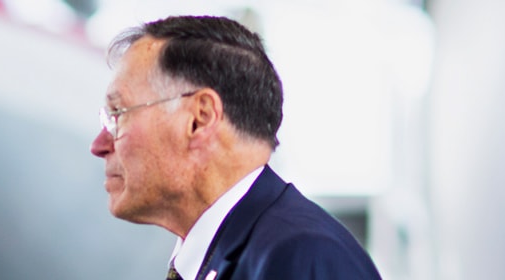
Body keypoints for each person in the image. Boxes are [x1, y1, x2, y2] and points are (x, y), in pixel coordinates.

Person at [89, 15, 382, 280]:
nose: (99, 145)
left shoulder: (302, 257)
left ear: (200, 119)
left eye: (119, 114)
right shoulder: (251, 253)